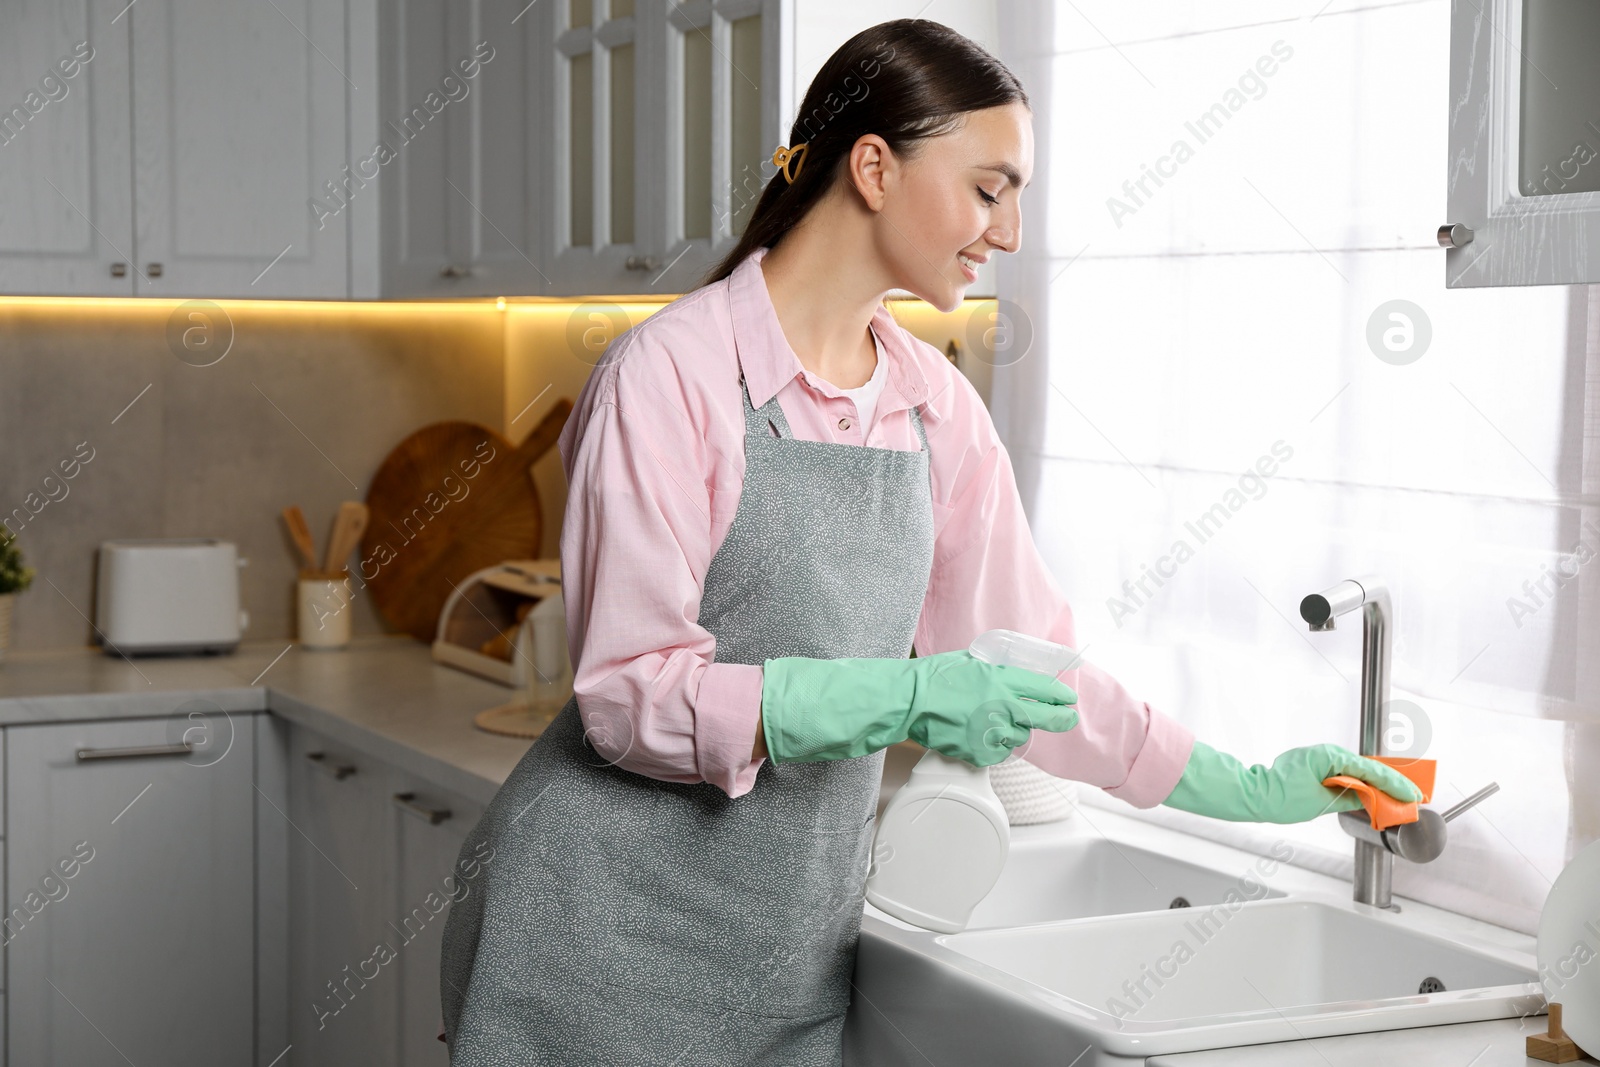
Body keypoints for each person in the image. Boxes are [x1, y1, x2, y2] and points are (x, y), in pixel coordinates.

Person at [437, 18, 1421, 1066]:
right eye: (989, 188)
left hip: (783, 958)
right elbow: (628, 697)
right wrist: (904, 696)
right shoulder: (670, 376)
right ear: (873, 166)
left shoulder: (930, 407)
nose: (1007, 232)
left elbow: (1029, 669)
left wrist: (1244, 785)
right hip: (589, 939)